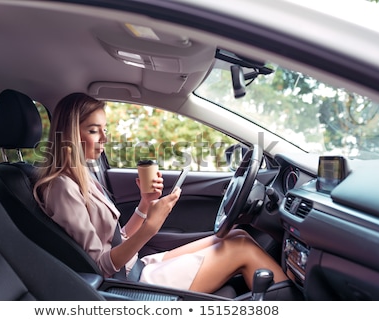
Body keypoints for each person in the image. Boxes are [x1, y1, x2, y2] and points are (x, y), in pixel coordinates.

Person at [33, 92, 288, 294]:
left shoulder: (83, 177)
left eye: (104, 129)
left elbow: (117, 238)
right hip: (132, 283)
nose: (104, 138)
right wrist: (149, 229)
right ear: (69, 134)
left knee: (237, 234)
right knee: (241, 247)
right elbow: (100, 267)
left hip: (137, 266)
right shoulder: (61, 187)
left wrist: (145, 204)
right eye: (93, 130)